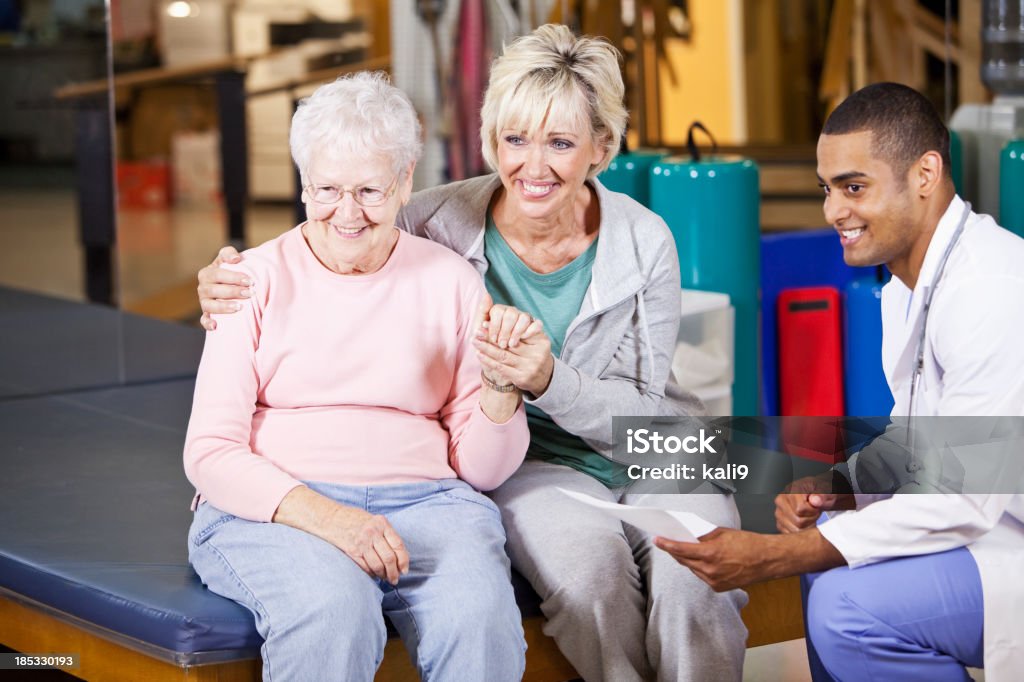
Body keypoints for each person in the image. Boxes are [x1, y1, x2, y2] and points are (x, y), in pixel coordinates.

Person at [197, 24, 748, 682]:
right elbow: (342, 212)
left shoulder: (644, 238)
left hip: (651, 437)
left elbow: (650, 410)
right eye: (514, 139)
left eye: (561, 143)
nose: (533, 166)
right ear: (489, 138)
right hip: (534, 457)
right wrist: (231, 279)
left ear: (601, 148)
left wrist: (544, 379)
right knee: (591, 580)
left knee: (699, 575)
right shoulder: (435, 218)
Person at [655, 82, 1024, 682]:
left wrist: (774, 555)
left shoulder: (991, 287)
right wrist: (840, 486)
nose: (832, 212)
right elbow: (926, 446)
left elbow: (964, 493)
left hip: (1001, 532)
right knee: (827, 543)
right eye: (827, 190)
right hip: (996, 521)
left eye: (855, 188)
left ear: (925, 174)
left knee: (845, 607)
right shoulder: (910, 287)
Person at [183, 72, 531, 682]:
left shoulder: (450, 280)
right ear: (302, 185)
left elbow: (481, 470)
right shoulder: (249, 281)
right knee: (333, 610)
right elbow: (210, 452)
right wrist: (333, 519)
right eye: (327, 189)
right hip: (279, 509)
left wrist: (501, 397)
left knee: (478, 613)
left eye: (370, 189)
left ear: (404, 184)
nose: (347, 212)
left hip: (429, 501)